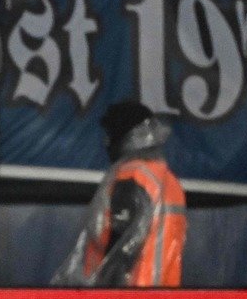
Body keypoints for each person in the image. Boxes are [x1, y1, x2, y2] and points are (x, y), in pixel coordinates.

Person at [53, 100, 186, 287]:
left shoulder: (130, 177)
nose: (106, 142)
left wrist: (108, 297)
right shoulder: (167, 180)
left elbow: (122, 249)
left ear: (127, 136)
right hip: (164, 296)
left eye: (110, 134)